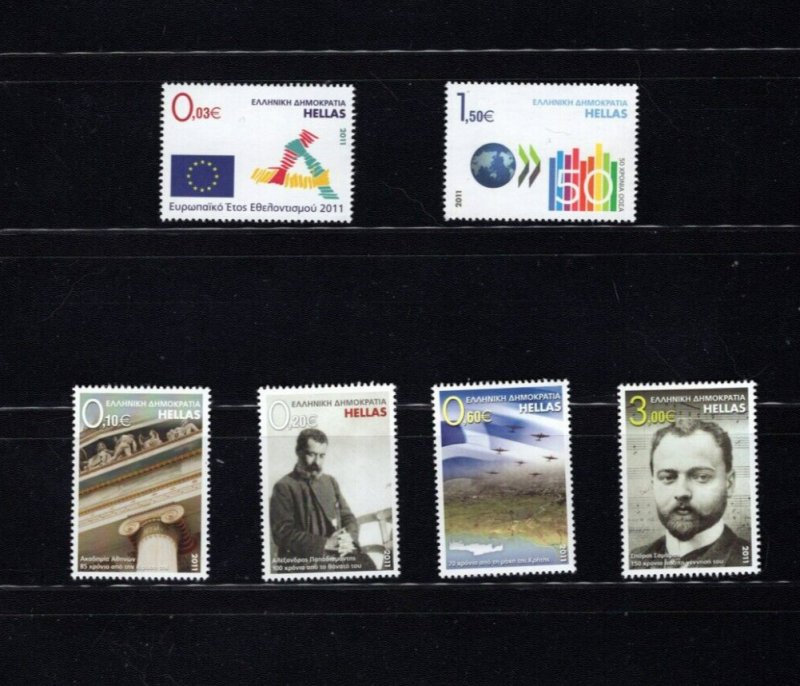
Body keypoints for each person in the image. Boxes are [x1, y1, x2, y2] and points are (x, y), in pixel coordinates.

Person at [632, 417, 750, 567]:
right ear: (653, 484)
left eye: (702, 477)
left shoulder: (747, 561)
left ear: (729, 483)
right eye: (668, 477)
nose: (682, 492)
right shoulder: (633, 561)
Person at [270, 428, 375, 570]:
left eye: (322, 456)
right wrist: (325, 543)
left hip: (337, 554)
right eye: (311, 454)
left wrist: (348, 538)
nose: (317, 462)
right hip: (304, 561)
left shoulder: (330, 481)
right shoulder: (283, 486)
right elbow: (283, 533)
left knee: (367, 566)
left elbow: (348, 517)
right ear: (298, 452)